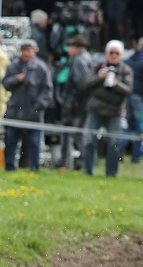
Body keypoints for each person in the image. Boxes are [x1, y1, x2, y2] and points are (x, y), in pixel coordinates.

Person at [81, 40, 133, 177]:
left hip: (114, 111)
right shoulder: (97, 67)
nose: (114, 55)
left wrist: (116, 83)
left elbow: (128, 90)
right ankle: (88, 170)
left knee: (114, 143)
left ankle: (111, 173)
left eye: (117, 53)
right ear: (106, 53)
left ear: (121, 55)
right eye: (111, 52)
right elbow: (86, 84)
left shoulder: (125, 70)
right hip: (95, 109)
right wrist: (99, 78)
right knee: (89, 141)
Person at [2, 39, 53, 171]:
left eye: (28, 50)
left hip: (33, 113)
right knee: (11, 141)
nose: (26, 53)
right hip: (15, 111)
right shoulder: (13, 66)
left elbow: (47, 91)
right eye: (24, 50)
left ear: (35, 51)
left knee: (35, 143)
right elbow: (5, 83)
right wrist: (16, 79)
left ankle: (34, 168)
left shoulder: (42, 68)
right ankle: (10, 167)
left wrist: (38, 106)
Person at [59, 34, 94, 170]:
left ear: (76, 48)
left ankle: (67, 162)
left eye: (70, 47)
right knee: (80, 134)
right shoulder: (87, 58)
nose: (68, 50)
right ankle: (84, 161)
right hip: (83, 104)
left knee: (72, 134)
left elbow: (80, 84)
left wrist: (71, 101)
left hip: (76, 106)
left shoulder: (79, 61)